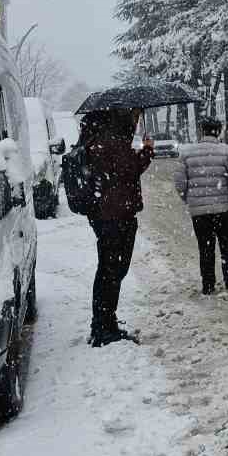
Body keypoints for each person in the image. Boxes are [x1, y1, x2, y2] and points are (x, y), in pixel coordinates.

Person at [80, 108, 152, 346]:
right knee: (112, 271)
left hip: (106, 215)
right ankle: (103, 327)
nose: (136, 121)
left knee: (110, 270)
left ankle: (104, 322)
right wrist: (147, 151)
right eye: (134, 116)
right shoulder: (112, 140)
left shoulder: (100, 139)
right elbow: (129, 169)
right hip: (115, 216)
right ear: (121, 117)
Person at [173, 118, 228, 295]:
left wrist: (189, 199)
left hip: (199, 211)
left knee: (205, 247)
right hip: (223, 209)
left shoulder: (186, 153)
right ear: (218, 131)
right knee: (227, 245)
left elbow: (180, 183)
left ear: (201, 131)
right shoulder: (226, 152)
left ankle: (208, 284)